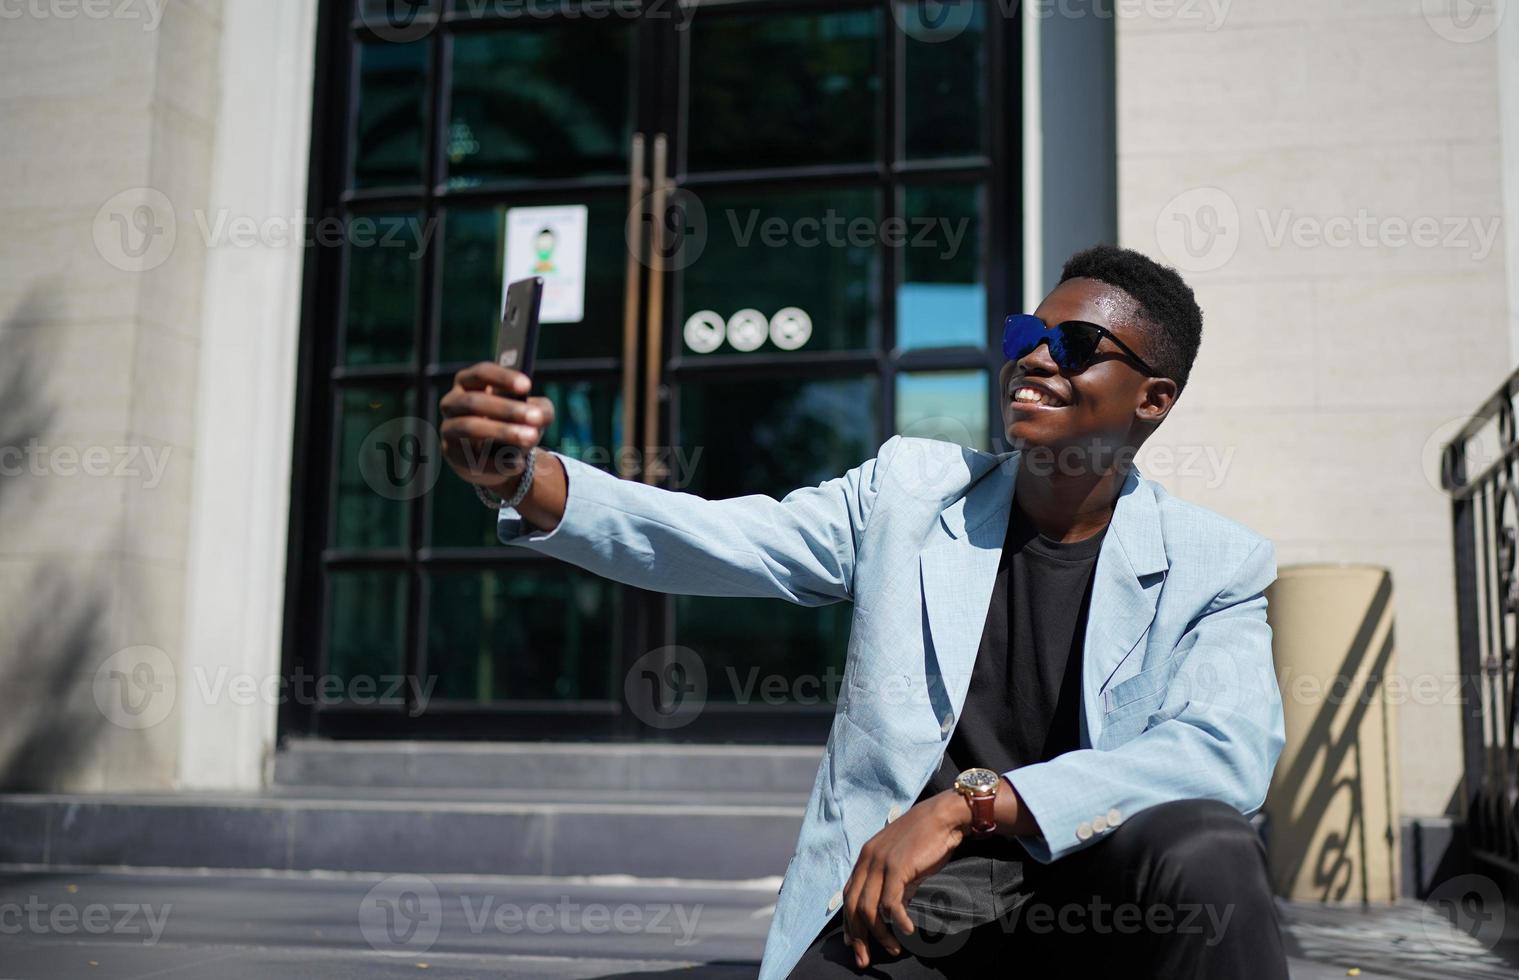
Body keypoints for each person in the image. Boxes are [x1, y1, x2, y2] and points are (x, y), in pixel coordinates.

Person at [439, 244, 1288, 979]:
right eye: (1027, 336)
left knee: (1209, 848)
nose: (1035, 358)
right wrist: (521, 477)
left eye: (1074, 345)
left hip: (1100, 905)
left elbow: (1223, 753)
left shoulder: (1215, 561)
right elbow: (724, 536)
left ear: (1153, 398)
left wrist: (967, 805)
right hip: (912, 909)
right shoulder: (909, 495)